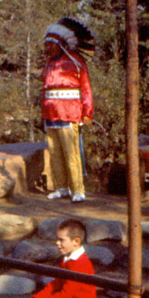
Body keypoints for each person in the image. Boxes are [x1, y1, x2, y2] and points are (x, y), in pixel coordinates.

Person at [41, 17, 94, 203]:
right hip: (50, 115)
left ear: (61, 45)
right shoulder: (48, 64)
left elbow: (85, 88)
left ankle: (78, 190)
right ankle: (61, 187)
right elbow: (45, 91)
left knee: (71, 154)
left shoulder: (76, 62)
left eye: (50, 44)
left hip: (69, 114)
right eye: (45, 44)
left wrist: (87, 112)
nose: (46, 48)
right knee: (55, 153)